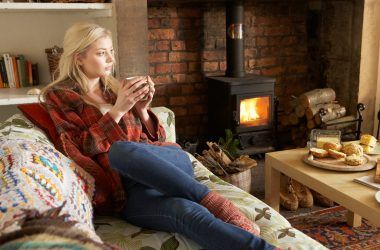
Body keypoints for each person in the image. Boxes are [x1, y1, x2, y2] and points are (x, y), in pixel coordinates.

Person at [41, 22, 277, 250]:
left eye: (111, 51)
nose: (111, 60)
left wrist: (143, 109)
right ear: (78, 57)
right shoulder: (59, 97)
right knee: (185, 212)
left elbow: (156, 139)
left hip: (167, 165)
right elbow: (80, 148)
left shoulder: (116, 87)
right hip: (127, 189)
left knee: (123, 149)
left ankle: (215, 202)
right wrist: (118, 110)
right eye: (102, 53)